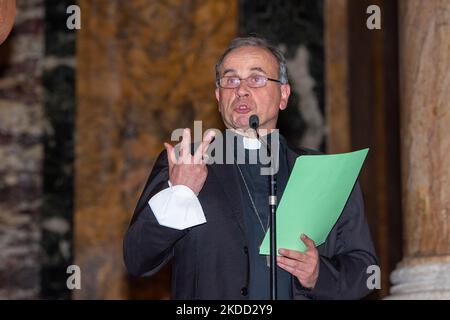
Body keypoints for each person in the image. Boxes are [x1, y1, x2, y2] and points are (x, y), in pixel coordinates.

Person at [123, 36, 378, 300]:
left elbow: (365, 272)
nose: (241, 90)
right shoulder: (185, 160)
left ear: (283, 95)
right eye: (230, 80)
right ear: (218, 96)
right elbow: (137, 258)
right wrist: (180, 194)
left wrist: (318, 274)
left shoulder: (326, 173)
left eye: (256, 79)